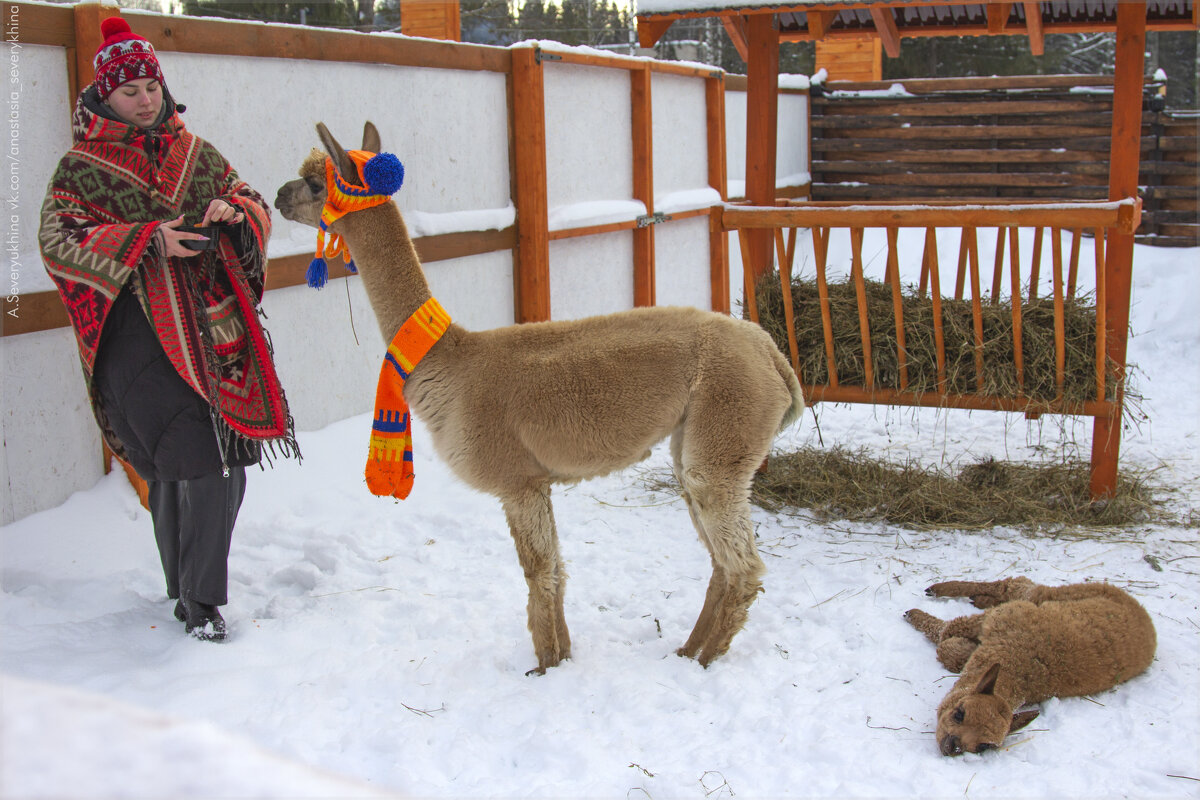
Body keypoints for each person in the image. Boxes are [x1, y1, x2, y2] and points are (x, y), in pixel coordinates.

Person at [38, 15, 298, 641]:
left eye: (151, 86)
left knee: (218, 462)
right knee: (185, 463)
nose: (146, 99)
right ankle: (200, 602)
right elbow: (56, 239)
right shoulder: (80, 169)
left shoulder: (194, 152)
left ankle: (186, 588)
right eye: (131, 92)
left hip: (213, 334)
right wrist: (145, 239)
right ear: (104, 95)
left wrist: (231, 212)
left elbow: (252, 201)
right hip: (138, 342)